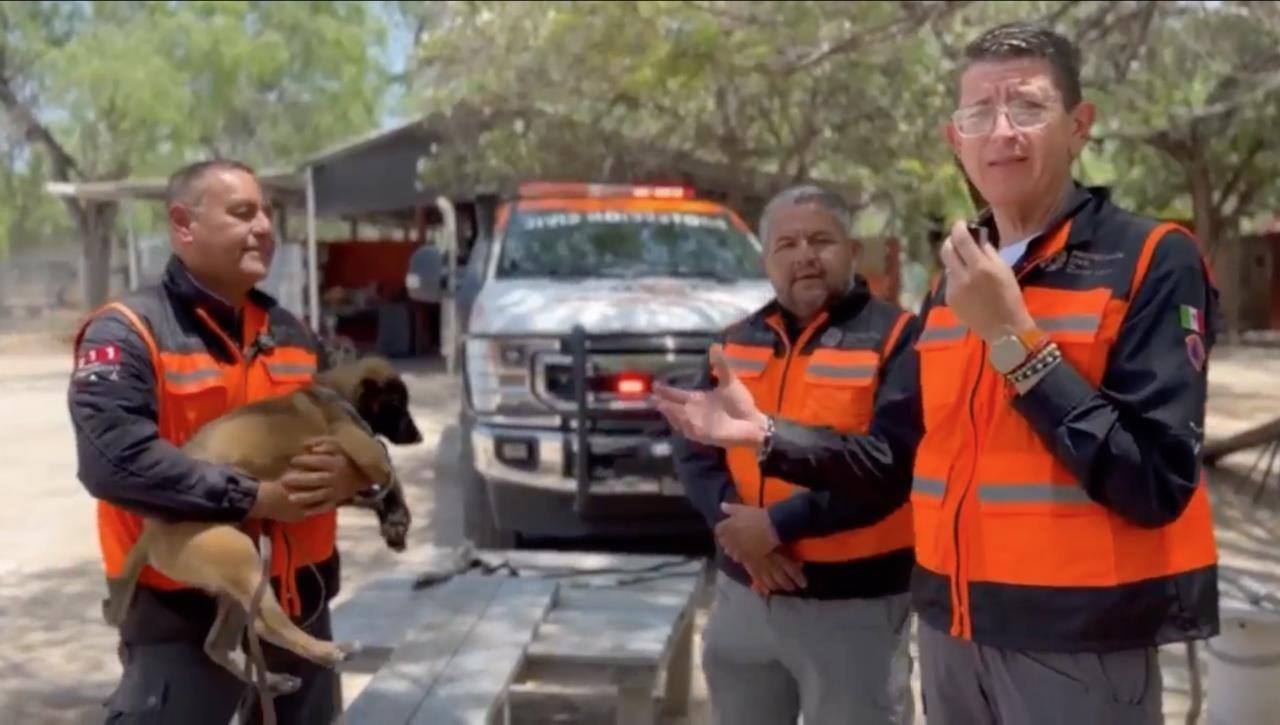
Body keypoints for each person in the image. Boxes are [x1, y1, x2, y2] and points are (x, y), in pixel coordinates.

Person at [661, 22, 1222, 724]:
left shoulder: (1150, 258)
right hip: (951, 630)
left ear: (1080, 126)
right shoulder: (955, 275)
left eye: (1027, 107)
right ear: (954, 138)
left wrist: (1014, 340)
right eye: (978, 113)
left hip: (1079, 643)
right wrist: (768, 434)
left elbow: (1155, 478)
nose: (1002, 132)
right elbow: (896, 457)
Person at [69, 159, 372, 724]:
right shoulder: (127, 332)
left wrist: (353, 477)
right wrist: (253, 498)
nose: (263, 226)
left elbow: (358, 430)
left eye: (266, 213)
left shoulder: (294, 333)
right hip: (181, 618)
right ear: (184, 224)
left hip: (300, 606)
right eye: (242, 213)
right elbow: (115, 462)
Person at [656, 185, 920, 725]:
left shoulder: (900, 339)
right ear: (767, 259)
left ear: (851, 249)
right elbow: (696, 450)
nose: (805, 254)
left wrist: (777, 526)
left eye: (821, 240)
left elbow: (890, 466)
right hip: (744, 597)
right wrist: (741, 536)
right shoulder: (733, 341)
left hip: (855, 609)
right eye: (788, 243)